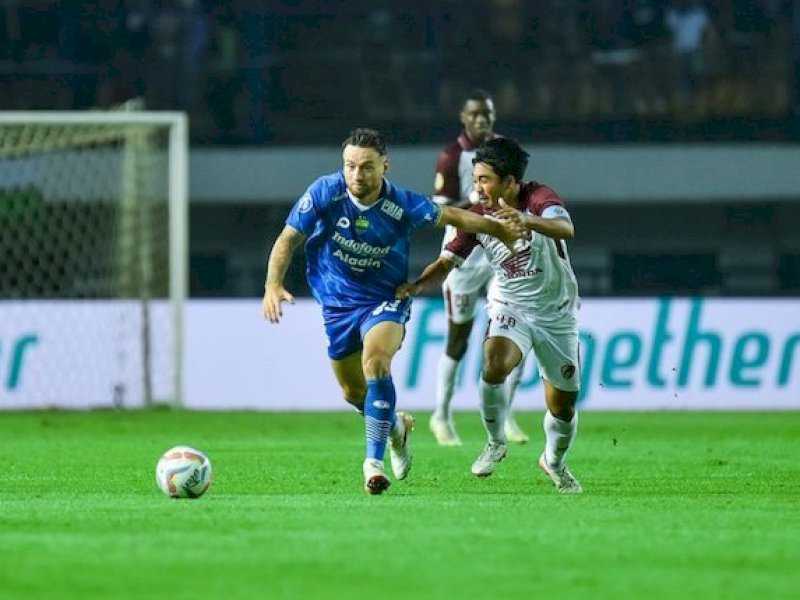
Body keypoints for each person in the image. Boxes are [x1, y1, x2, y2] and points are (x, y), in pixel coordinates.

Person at [262, 128, 524, 496]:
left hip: (386, 298)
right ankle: (396, 429)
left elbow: (454, 217)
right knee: (354, 393)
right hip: (337, 305)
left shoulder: (401, 204)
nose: (356, 175)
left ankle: (373, 464)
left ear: (385, 166)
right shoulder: (325, 190)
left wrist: (498, 227)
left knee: (376, 363)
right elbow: (288, 238)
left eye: (366, 167)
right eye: (350, 166)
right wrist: (273, 284)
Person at [398, 137, 583, 494]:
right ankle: (495, 441)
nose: (477, 187)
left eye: (485, 179)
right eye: (475, 178)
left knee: (562, 407)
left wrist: (526, 219)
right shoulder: (476, 216)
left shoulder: (539, 198)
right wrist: (416, 286)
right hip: (510, 305)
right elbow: (448, 261)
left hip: (557, 314)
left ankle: (554, 461)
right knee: (494, 361)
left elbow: (566, 229)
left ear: (510, 182)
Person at [430, 89, 529, 447]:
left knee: (513, 333)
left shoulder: (505, 150)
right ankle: (441, 416)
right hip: (463, 258)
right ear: (463, 116)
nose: (481, 120)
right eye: (475, 114)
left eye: (487, 114)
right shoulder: (451, 156)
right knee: (458, 339)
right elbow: (442, 211)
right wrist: (475, 203)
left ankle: (507, 416)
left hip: (499, 255)